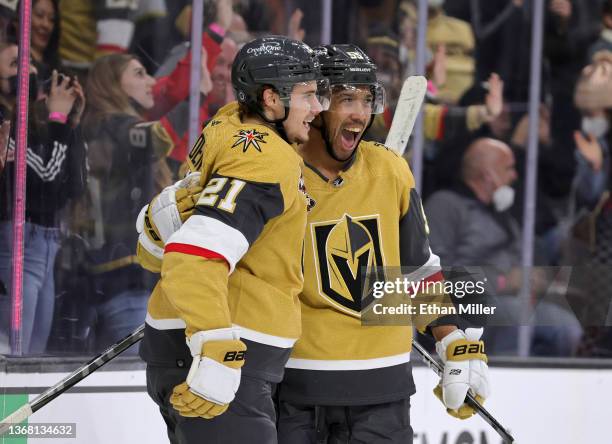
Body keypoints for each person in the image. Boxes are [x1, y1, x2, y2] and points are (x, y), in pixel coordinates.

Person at [138, 44, 490, 443]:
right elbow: (209, 250)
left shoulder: (389, 170)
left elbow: (417, 268)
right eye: (345, 99)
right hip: (292, 390)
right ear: (316, 103)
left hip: (384, 390)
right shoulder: (270, 163)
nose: (360, 112)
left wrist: (453, 341)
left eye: (367, 99)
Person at [137, 36, 329, 443]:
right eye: (307, 95)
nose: (317, 108)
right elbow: (194, 254)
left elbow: (166, 242)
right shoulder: (266, 158)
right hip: (226, 346)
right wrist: (216, 346)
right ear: (270, 99)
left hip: (179, 341)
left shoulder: (227, 124)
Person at [425, 138, 583, 356]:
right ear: (488, 174)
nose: (514, 176)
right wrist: (501, 282)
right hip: (467, 308)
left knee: (568, 328)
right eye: (509, 168)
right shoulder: (445, 205)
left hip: (518, 301)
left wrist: (538, 279)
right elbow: (436, 274)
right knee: (515, 315)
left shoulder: (503, 214)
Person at [82, 53, 175, 353]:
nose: (150, 81)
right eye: (138, 74)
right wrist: (193, 93)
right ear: (112, 84)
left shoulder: (97, 126)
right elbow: (159, 137)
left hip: (97, 273)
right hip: (125, 275)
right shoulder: (117, 126)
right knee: (133, 378)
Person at [0, 41, 86, 354]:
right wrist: (59, 121)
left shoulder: (39, 127)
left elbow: (75, 184)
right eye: (15, 66)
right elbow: (47, 177)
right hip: (17, 241)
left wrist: (72, 123)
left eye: (31, 67)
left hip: (46, 243)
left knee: (32, 356)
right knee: (14, 352)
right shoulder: (6, 123)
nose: (29, 73)